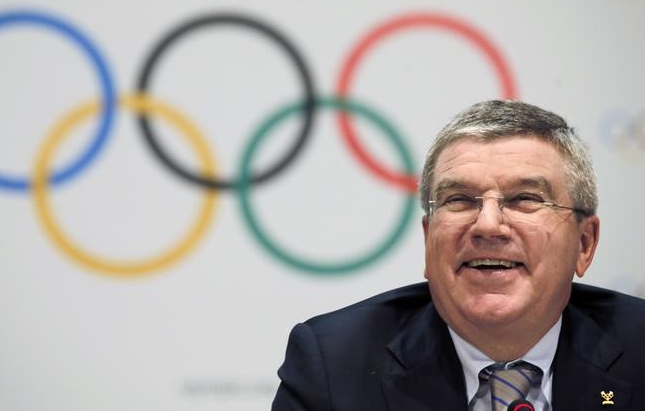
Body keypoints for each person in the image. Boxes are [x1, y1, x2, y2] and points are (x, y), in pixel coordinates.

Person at [271, 100, 645, 411]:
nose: (487, 225)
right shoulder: (334, 365)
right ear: (428, 237)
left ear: (584, 243)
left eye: (523, 199)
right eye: (459, 201)